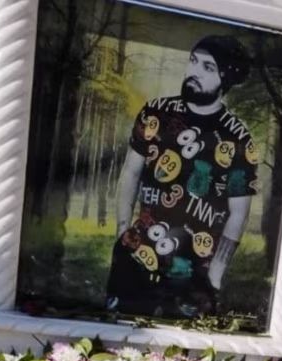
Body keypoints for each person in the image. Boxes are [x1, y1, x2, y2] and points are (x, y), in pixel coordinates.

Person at [105, 35, 259, 318]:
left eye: (208, 68)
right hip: (136, 256)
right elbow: (130, 172)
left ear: (226, 78)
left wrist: (215, 275)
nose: (194, 73)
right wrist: (123, 232)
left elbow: (239, 213)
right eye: (193, 62)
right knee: (119, 332)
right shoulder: (156, 113)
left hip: (194, 271)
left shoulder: (236, 137)